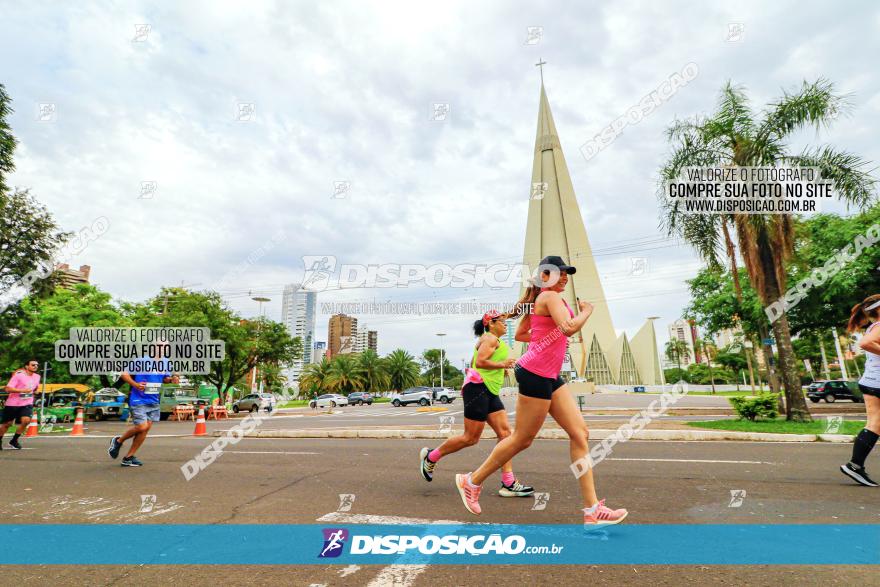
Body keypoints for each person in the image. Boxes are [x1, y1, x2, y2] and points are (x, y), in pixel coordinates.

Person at [454, 255, 628, 526]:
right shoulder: (549, 298)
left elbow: (524, 332)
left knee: (580, 433)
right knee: (522, 439)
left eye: (567, 273)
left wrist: (548, 339)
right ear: (545, 276)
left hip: (548, 374)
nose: (566, 277)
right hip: (535, 373)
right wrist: (586, 311)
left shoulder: (543, 301)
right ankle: (471, 481)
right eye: (561, 273)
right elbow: (569, 327)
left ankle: (592, 511)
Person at [419, 310, 535, 498]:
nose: (505, 324)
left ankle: (508, 483)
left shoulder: (492, 340)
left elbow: (474, 362)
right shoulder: (490, 339)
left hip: (489, 390)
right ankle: (431, 456)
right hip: (478, 390)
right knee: (470, 438)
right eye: (502, 321)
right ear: (490, 323)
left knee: (506, 434)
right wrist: (503, 364)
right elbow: (480, 362)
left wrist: (499, 369)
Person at [108, 348, 178, 467]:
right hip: (138, 398)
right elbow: (124, 374)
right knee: (142, 426)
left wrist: (172, 379)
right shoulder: (142, 360)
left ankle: (128, 458)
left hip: (153, 399)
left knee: (145, 429)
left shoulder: (166, 362)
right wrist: (135, 384)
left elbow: (165, 379)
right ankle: (118, 441)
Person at [841, 294, 880, 487]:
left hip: (871, 381)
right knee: (874, 424)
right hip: (877, 383)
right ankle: (855, 465)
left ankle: (855, 465)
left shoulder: (874, 326)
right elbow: (865, 344)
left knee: (875, 424)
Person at [0, 359, 40, 450]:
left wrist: (36, 391)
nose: (36, 366)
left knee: (26, 421)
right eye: (33, 365)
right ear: (26, 366)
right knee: (7, 424)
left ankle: (14, 440)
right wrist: (22, 390)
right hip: (12, 403)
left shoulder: (37, 376)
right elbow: (8, 389)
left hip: (27, 402)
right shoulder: (18, 376)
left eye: (37, 365)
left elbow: (35, 387)